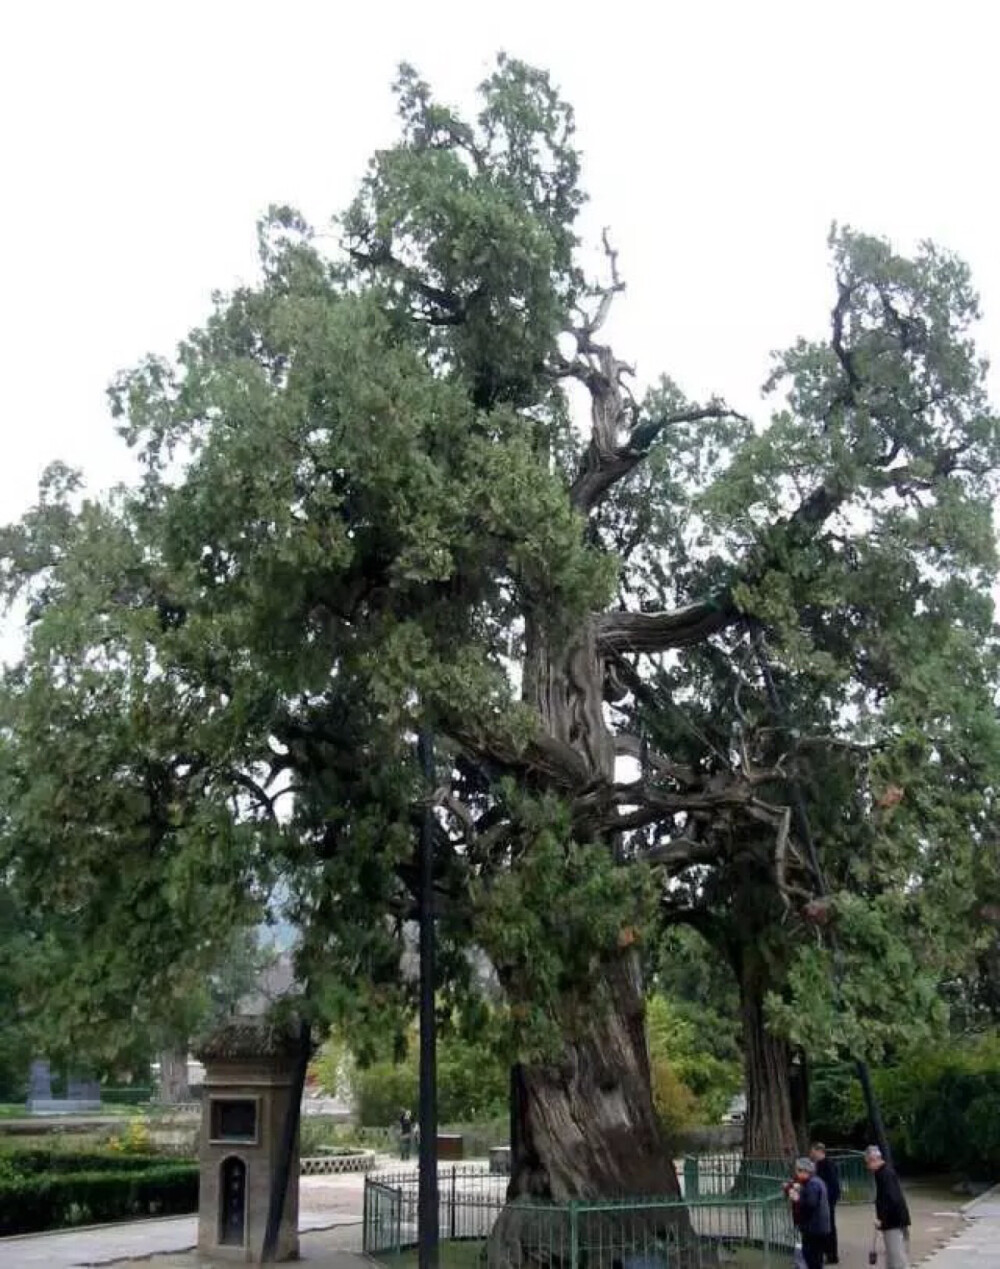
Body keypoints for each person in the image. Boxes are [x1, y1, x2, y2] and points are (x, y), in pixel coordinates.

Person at [864, 1145, 911, 1269]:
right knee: (892, 1257)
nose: (868, 1167)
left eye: (868, 1163)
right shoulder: (883, 1173)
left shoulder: (885, 1174)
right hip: (893, 1220)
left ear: (874, 1159)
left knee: (897, 1258)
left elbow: (891, 1199)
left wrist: (881, 1218)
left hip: (893, 1221)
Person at [784, 1157, 830, 1269]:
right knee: (815, 1257)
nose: (796, 1174)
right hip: (819, 1227)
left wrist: (797, 1199)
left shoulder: (812, 1184)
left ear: (805, 1171)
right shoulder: (816, 1181)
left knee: (812, 1257)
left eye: (798, 1171)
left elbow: (810, 1205)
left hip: (814, 1228)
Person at [810, 1142, 841, 1264]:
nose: (811, 1153)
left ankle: (832, 1254)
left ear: (819, 1151)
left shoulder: (827, 1165)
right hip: (824, 1200)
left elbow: (833, 1185)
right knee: (825, 1227)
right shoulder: (819, 1165)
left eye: (813, 1151)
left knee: (829, 1228)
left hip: (827, 1201)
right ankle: (826, 1252)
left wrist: (828, 1200)